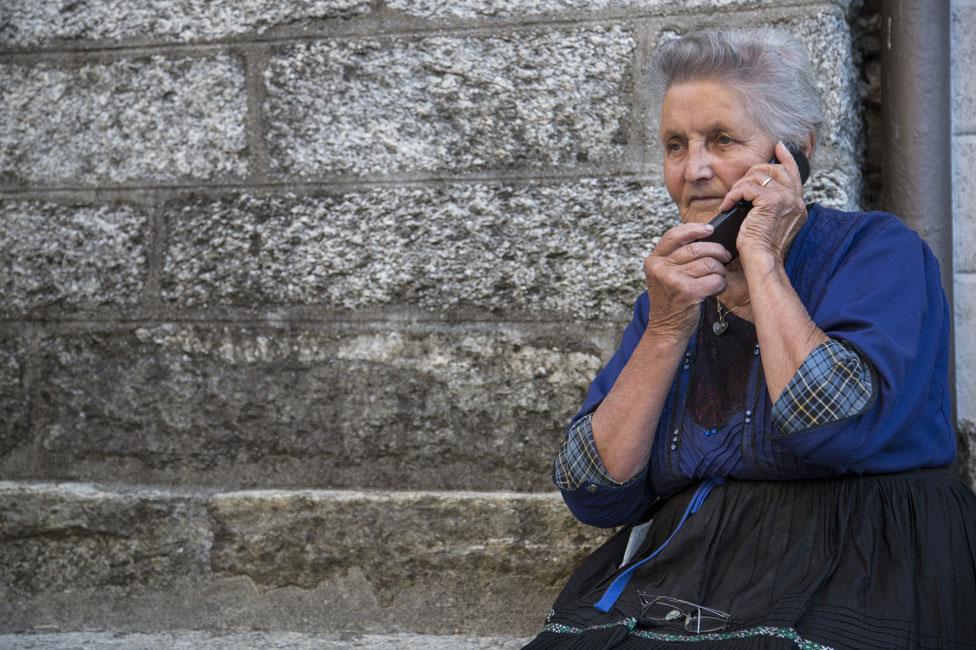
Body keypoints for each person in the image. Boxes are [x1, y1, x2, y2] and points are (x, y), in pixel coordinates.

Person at [523, 28, 976, 649]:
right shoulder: (672, 296)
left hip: (863, 557)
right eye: (675, 145)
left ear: (795, 153)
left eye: (722, 140)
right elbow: (592, 488)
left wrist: (761, 257)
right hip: (697, 563)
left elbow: (833, 425)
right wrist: (664, 329)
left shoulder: (878, 251)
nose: (695, 169)